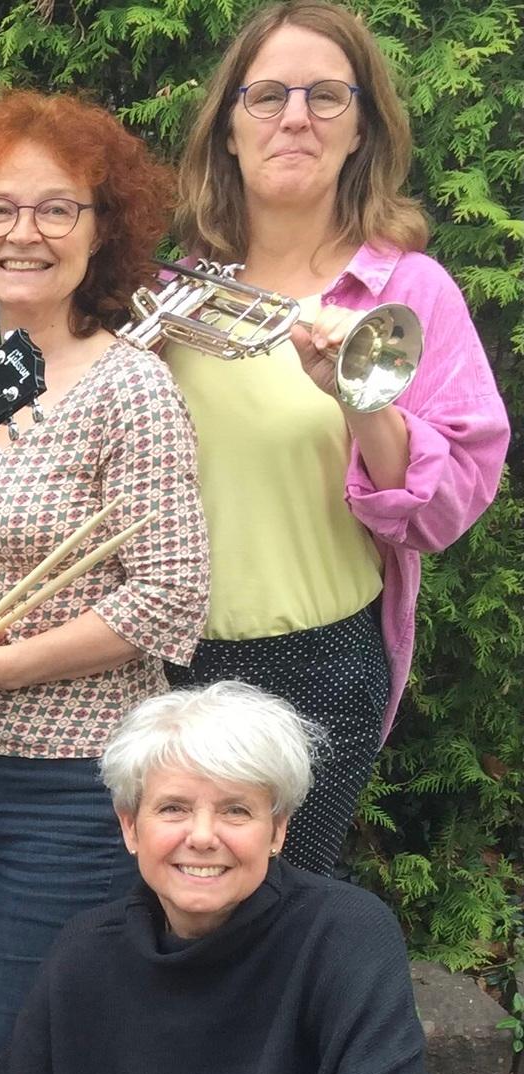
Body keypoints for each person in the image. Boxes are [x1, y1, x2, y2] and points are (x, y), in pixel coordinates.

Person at [0, 90, 211, 1074]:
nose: (24, 233)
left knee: (21, 1067)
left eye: (56, 208)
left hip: (77, 786)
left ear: (99, 232)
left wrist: (0, 667)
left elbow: (172, 595)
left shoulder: (131, 384)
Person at [165, 0, 510, 876]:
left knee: (280, 931)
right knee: (164, 921)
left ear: (361, 129)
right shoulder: (168, 292)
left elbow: (441, 510)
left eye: (325, 96)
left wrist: (361, 399)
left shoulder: (409, 292)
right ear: (228, 130)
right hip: (155, 665)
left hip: (320, 666)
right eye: (268, 95)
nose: (295, 118)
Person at [0, 681, 480, 1074]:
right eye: (173, 808)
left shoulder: (344, 935)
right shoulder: (85, 952)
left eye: (237, 810)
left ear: (277, 830)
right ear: (130, 827)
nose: (203, 835)